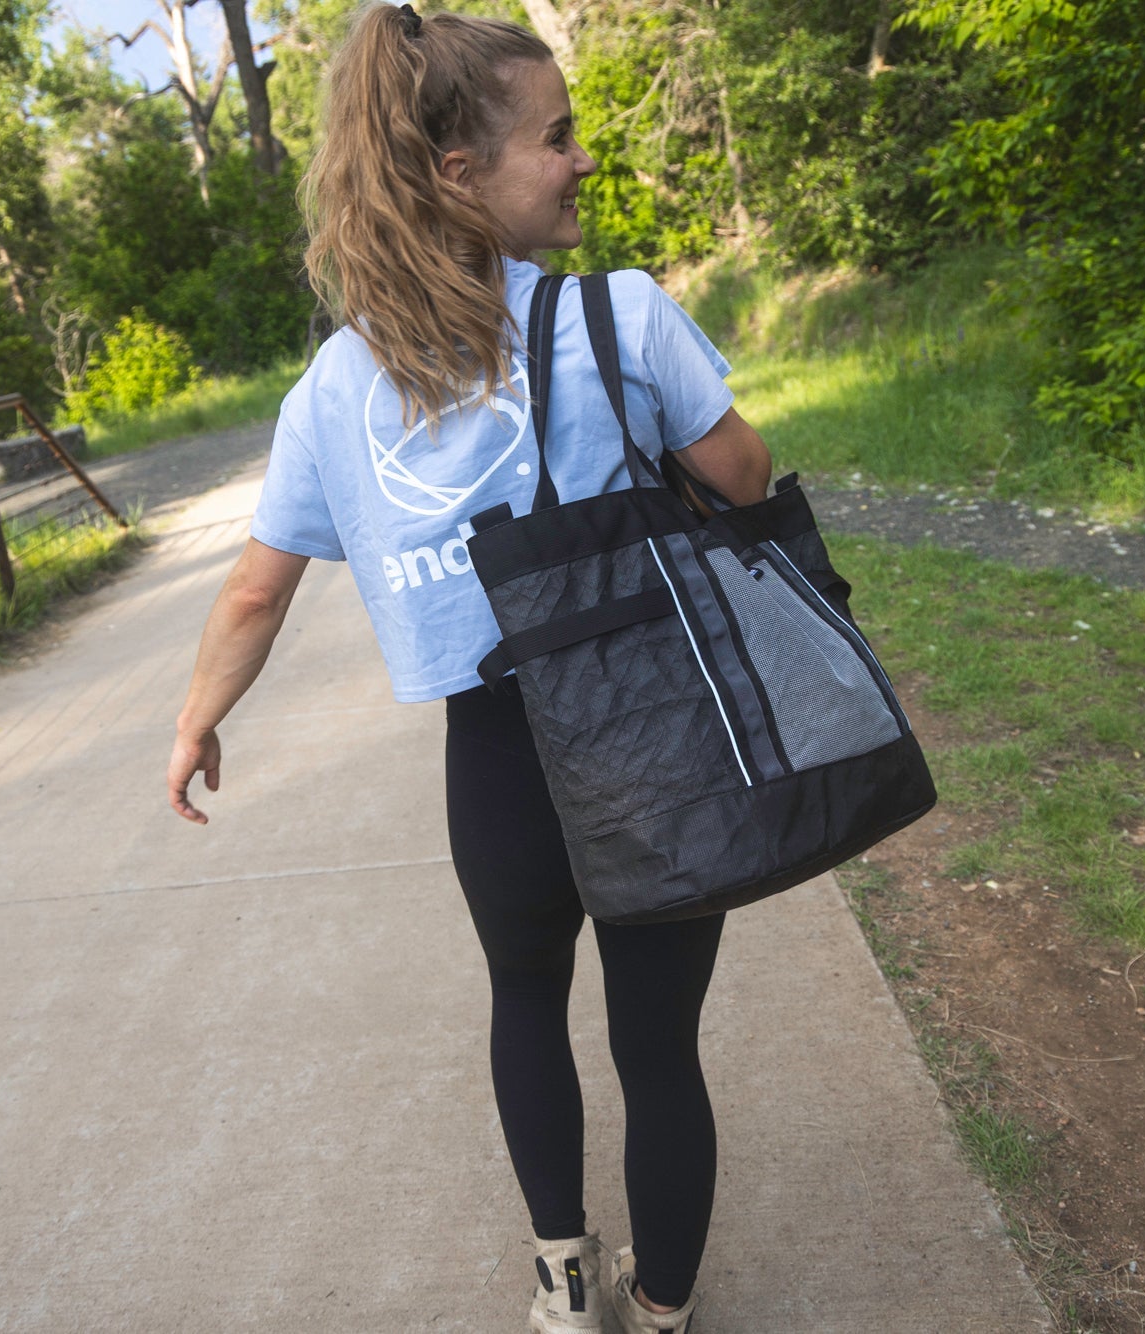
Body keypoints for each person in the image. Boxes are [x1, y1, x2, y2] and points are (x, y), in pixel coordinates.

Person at [166, 5, 774, 1330]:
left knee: (524, 999)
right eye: (556, 137)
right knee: (658, 1045)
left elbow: (258, 586)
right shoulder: (619, 317)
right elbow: (743, 476)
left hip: (494, 762)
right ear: (459, 172)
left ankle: (564, 1282)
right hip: (655, 741)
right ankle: (664, 1308)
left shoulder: (333, 387)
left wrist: (198, 717)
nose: (580, 160)